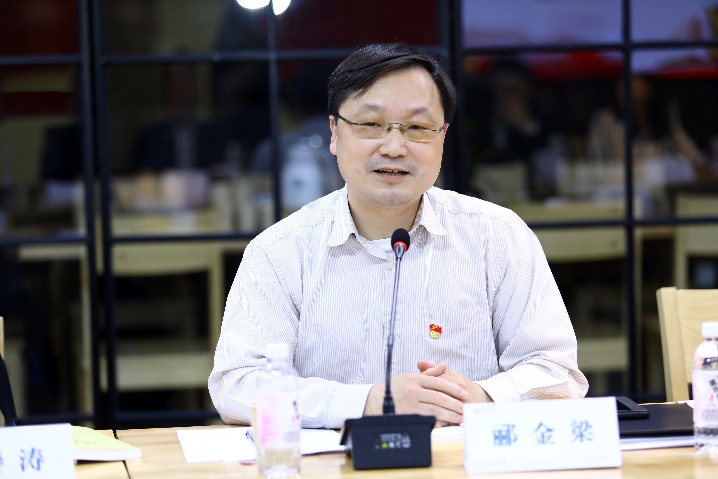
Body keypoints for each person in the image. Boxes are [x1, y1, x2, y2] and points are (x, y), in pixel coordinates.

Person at [209, 43, 588, 429]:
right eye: (370, 125)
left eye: (417, 128)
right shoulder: (279, 251)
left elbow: (556, 371)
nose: (393, 147)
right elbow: (238, 385)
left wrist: (478, 397)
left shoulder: (498, 236)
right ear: (335, 133)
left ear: (442, 138)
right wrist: (370, 402)